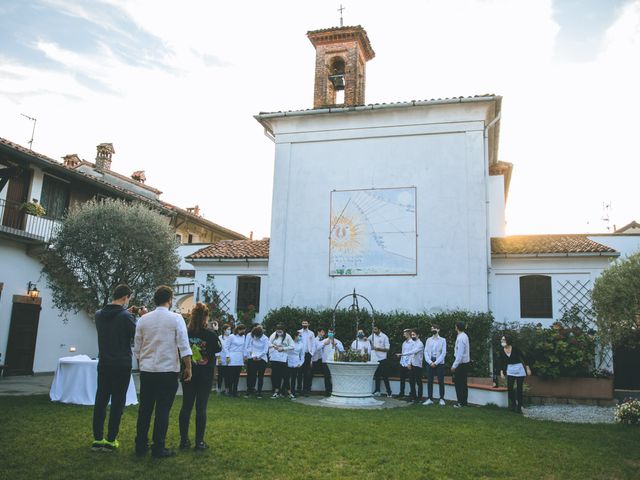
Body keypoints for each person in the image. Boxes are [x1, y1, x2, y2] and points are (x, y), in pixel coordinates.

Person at [134, 286, 192, 458]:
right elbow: (183, 344)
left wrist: (142, 363)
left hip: (148, 370)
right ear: (170, 299)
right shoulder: (176, 318)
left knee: (145, 409)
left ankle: (141, 444)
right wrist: (188, 367)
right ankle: (158, 446)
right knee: (162, 410)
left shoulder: (143, 320)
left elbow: (137, 347)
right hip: (167, 371)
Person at [92, 284, 139, 452]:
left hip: (104, 362)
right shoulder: (126, 317)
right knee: (118, 401)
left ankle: (97, 439)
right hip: (121, 364)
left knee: (101, 400)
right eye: (129, 298)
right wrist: (135, 316)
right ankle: (111, 440)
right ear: (125, 297)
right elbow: (136, 334)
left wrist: (129, 314)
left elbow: (114, 323)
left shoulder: (98, 315)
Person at [178, 303, 221, 451]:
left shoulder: (186, 333)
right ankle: (199, 442)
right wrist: (216, 331)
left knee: (186, 406)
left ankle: (184, 441)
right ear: (206, 317)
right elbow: (219, 348)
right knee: (201, 408)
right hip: (205, 374)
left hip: (188, 372)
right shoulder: (210, 334)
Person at [499, 334, 531, 413]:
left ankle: (519, 407)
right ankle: (513, 404)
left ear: (507, 341)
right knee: (510, 388)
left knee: (519, 388)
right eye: (502, 340)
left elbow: (524, 357)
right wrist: (501, 372)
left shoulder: (515, 349)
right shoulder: (501, 350)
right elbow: (501, 362)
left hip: (519, 369)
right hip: (510, 369)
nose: (502, 341)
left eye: (503, 340)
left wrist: (527, 368)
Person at [423, 324, 447, 406]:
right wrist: (430, 362)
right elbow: (425, 351)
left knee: (441, 381)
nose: (433, 330)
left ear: (438, 330)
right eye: (432, 328)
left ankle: (442, 399)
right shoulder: (428, 340)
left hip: (439, 362)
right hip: (430, 361)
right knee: (429, 381)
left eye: (434, 328)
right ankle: (430, 398)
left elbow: (443, 353)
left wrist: (436, 363)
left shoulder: (443, 340)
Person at [268, 324, 293, 398]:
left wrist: (283, 348)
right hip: (274, 358)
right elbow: (268, 343)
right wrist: (274, 346)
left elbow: (292, 346)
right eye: (277, 330)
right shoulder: (273, 335)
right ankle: (276, 392)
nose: (279, 332)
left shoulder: (288, 336)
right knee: (276, 375)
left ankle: (289, 392)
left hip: (283, 359)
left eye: (280, 330)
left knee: (285, 376)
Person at [244, 325, 269, 397]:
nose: (255, 337)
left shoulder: (265, 339)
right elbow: (250, 347)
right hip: (253, 357)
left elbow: (265, 350)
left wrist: (258, 356)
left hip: (262, 359)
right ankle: (250, 389)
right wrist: (252, 355)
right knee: (251, 374)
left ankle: (259, 392)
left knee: (260, 375)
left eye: (256, 336)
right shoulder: (252, 336)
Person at [318, 328, 344, 395]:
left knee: (335, 376)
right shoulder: (324, 341)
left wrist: (336, 344)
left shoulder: (337, 341)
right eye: (329, 332)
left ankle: (336, 390)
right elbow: (317, 348)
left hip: (335, 362)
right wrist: (324, 344)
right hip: (325, 362)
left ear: (334, 333)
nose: (330, 333)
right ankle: (327, 391)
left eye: (331, 332)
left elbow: (342, 350)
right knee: (327, 377)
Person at [451, 321, 471, 408]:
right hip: (463, 363)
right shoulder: (463, 336)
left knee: (459, 384)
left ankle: (461, 402)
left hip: (461, 364)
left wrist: (454, 365)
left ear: (457, 327)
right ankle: (464, 402)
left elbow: (460, 353)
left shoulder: (462, 337)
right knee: (463, 383)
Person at [225, 324, 247, 397]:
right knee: (231, 375)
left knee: (237, 376)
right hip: (232, 356)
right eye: (242, 330)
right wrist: (227, 356)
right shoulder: (231, 336)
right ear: (238, 330)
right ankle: (230, 391)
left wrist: (244, 356)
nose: (243, 331)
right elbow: (226, 347)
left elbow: (244, 347)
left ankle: (235, 391)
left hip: (239, 358)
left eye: (244, 330)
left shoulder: (243, 337)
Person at [370, 326, 392, 397]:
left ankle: (389, 392)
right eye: (373, 329)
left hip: (383, 359)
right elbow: (367, 340)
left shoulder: (384, 337)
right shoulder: (372, 336)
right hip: (375, 359)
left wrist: (377, 348)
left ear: (379, 329)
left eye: (375, 329)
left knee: (385, 376)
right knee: (377, 376)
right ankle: (377, 391)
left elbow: (387, 349)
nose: (374, 330)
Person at [285, 330, 305, 399]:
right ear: (295, 336)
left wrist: (300, 363)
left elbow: (302, 355)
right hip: (288, 361)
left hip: (296, 362)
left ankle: (293, 392)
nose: (300, 337)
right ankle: (286, 391)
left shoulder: (301, 344)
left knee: (294, 378)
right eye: (299, 336)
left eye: (300, 336)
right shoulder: (289, 343)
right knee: (286, 377)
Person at [298, 319, 316, 395]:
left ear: (308, 324)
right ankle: (299, 389)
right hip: (300, 354)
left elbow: (313, 344)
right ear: (301, 324)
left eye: (306, 323)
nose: (304, 324)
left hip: (308, 354)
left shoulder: (311, 333)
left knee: (307, 373)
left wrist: (311, 353)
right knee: (299, 372)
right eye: (303, 323)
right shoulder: (299, 332)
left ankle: (306, 390)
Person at [407, 330, 424, 403]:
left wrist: (402, 354)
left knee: (418, 382)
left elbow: (413, 352)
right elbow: (411, 355)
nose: (412, 336)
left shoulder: (420, 344)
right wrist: (409, 363)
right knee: (411, 381)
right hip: (412, 364)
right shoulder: (412, 343)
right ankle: (413, 397)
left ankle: (419, 398)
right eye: (412, 335)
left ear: (418, 335)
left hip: (418, 365)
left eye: (414, 334)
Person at [215, 323, 232, 394]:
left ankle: (227, 390)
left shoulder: (231, 337)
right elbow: (217, 347)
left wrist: (229, 357)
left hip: (229, 358)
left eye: (230, 329)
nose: (229, 331)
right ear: (224, 330)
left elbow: (231, 348)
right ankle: (218, 389)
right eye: (228, 329)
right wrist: (218, 357)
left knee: (227, 375)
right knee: (220, 375)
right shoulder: (219, 337)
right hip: (221, 357)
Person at [396, 329, 413, 399]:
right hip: (402, 363)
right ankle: (401, 393)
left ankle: (411, 394)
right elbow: (403, 353)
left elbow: (412, 354)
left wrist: (409, 363)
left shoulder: (412, 343)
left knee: (411, 380)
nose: (403, 334)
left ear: (408, 333)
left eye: (405, 333)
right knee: (402, 379)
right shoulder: (404, 343)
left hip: (409, 363)